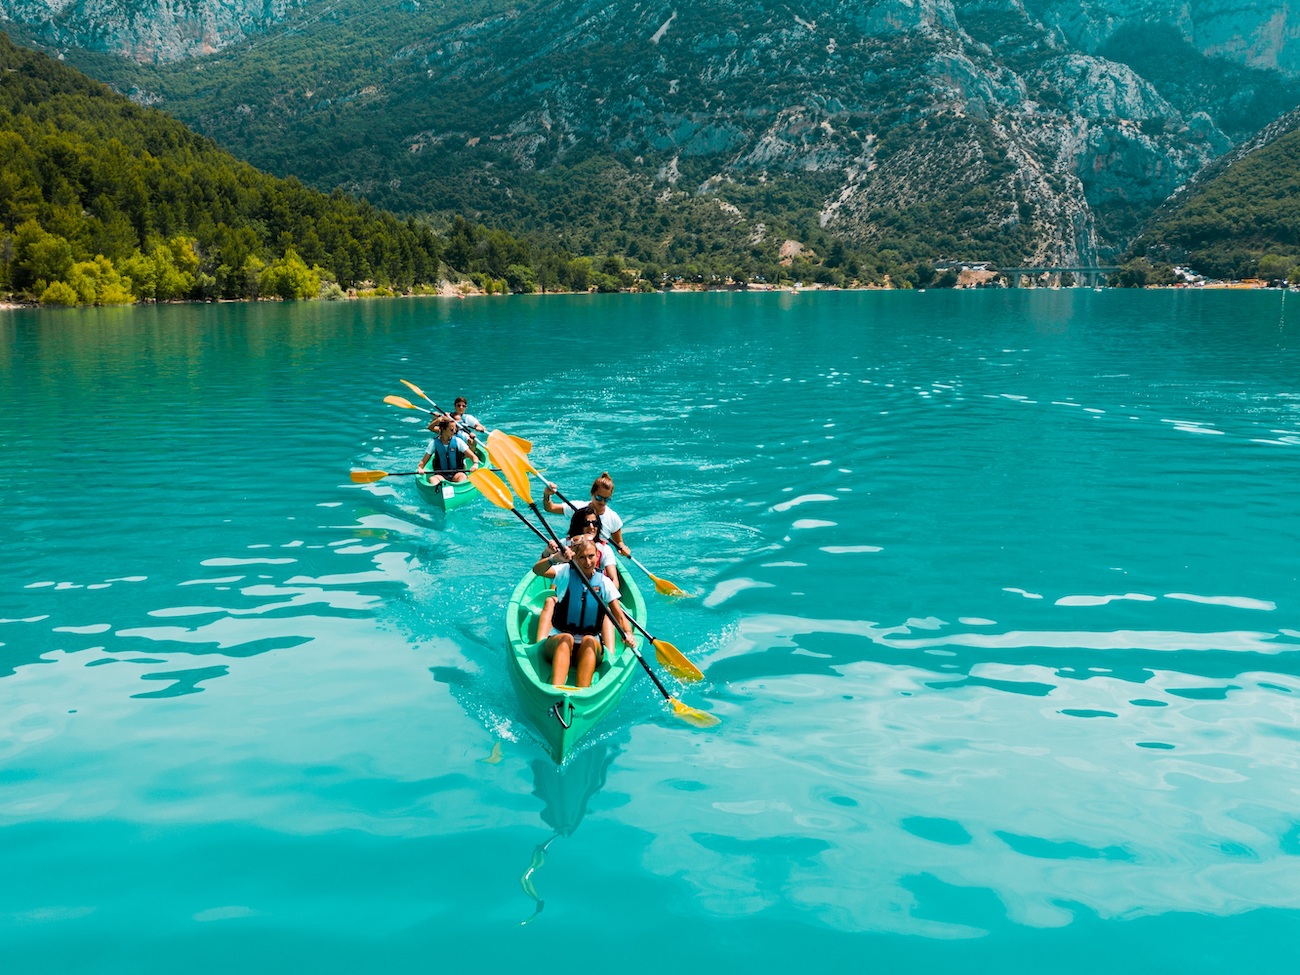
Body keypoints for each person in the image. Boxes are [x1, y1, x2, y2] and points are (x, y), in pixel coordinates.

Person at [531, 537, 636, 688]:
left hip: (589, 647)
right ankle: (555, 691)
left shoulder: (604, 582)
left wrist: (628, 633)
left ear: (597, 556)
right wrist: (554, 558)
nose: (587, 562)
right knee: (566, 638)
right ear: (574, 557)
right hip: (558, 643)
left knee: (590, 640)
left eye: (591, 556)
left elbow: (618, 615)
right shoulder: (564, 572)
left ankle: (582, 693)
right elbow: (537, 570)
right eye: (582, 557)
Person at [543, 472, 631, 557]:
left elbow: (619, 543)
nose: (602, 502)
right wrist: (547, 494)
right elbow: (550, 508)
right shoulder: (577, 507)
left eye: (606, 499)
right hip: (572, 552)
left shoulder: (613, 518)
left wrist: (623, 548)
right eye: (599, 498)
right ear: (592, 493)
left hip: (596, 557)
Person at [417, 415, 479, 487]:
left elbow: (474, 457)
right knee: (432, 479)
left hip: (457, 474)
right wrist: (420, 468)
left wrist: (475, 464)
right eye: (451, 429)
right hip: (440, 476)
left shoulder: (458, 441)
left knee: (462, 477)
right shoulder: (434, 443)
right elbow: (423, 462)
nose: (454, 431)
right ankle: (439, 492)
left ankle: (457, 491)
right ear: (443, 429)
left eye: (455, 429)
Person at [566, 507, 617, 582]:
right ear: (578, 525)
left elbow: (613, 579)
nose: (591, 527)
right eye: (586, 523)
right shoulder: (565, 544)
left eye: (595, 523)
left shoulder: (604, 549)